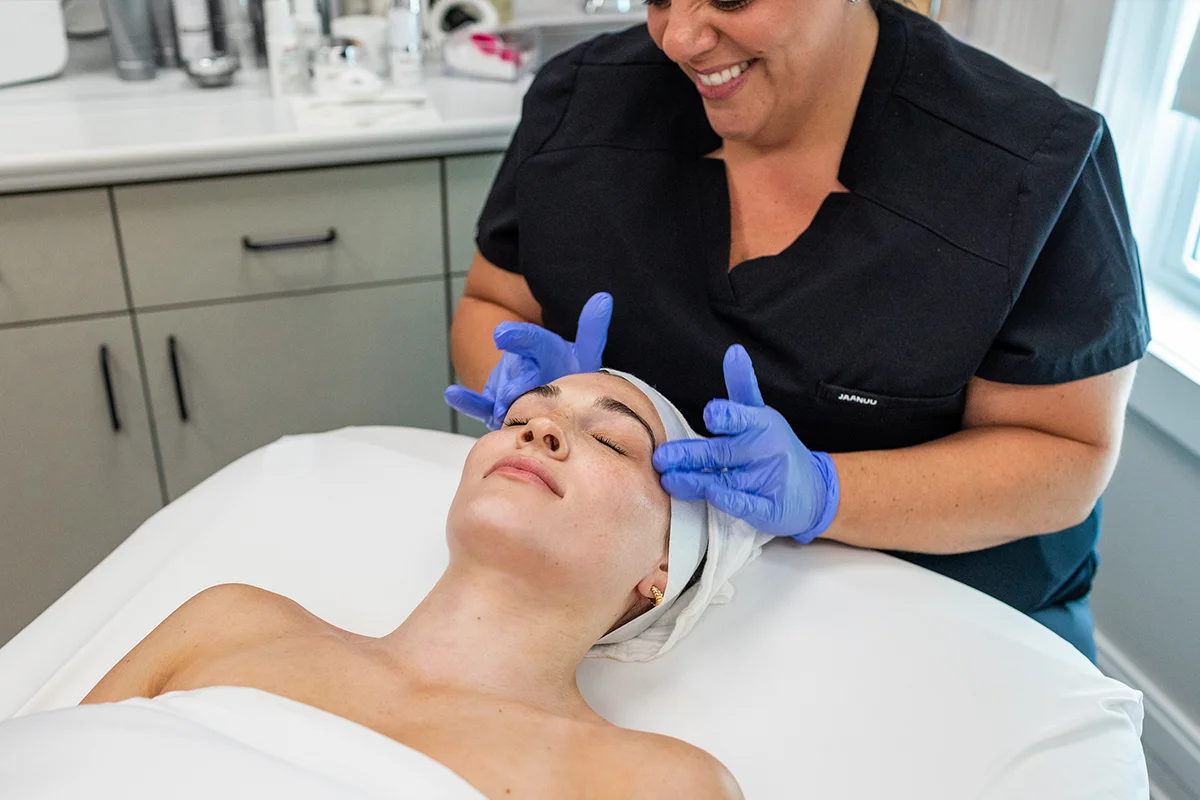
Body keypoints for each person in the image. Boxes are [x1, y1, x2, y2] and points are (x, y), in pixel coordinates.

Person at [446, 0, 1150, 661]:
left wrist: (825, 487)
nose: (680, 39)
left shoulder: (1026, 164)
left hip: (943, 619)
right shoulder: (583, 100)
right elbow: (494, 304)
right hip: (652, 607)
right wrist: (526, 395)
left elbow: (1064, 459)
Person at [75, 371, 743, 800]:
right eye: (517, 420)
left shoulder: (653, 783)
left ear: (663, 568)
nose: (541, 429)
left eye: (611, 441)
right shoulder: (227, 621)